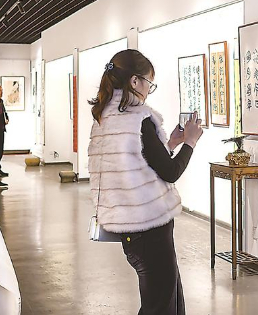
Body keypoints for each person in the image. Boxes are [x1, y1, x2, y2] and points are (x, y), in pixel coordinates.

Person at [88, 49, 203, 315]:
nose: (149, 90)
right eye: (149, 82)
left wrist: (170, 144)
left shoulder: (105, 117)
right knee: (162, 305)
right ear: (134, 81)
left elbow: (136, 162)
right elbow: (170, 172)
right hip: (150, 228)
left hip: (129, 229)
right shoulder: (139, 118)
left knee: (164, 299)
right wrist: (190, 142)